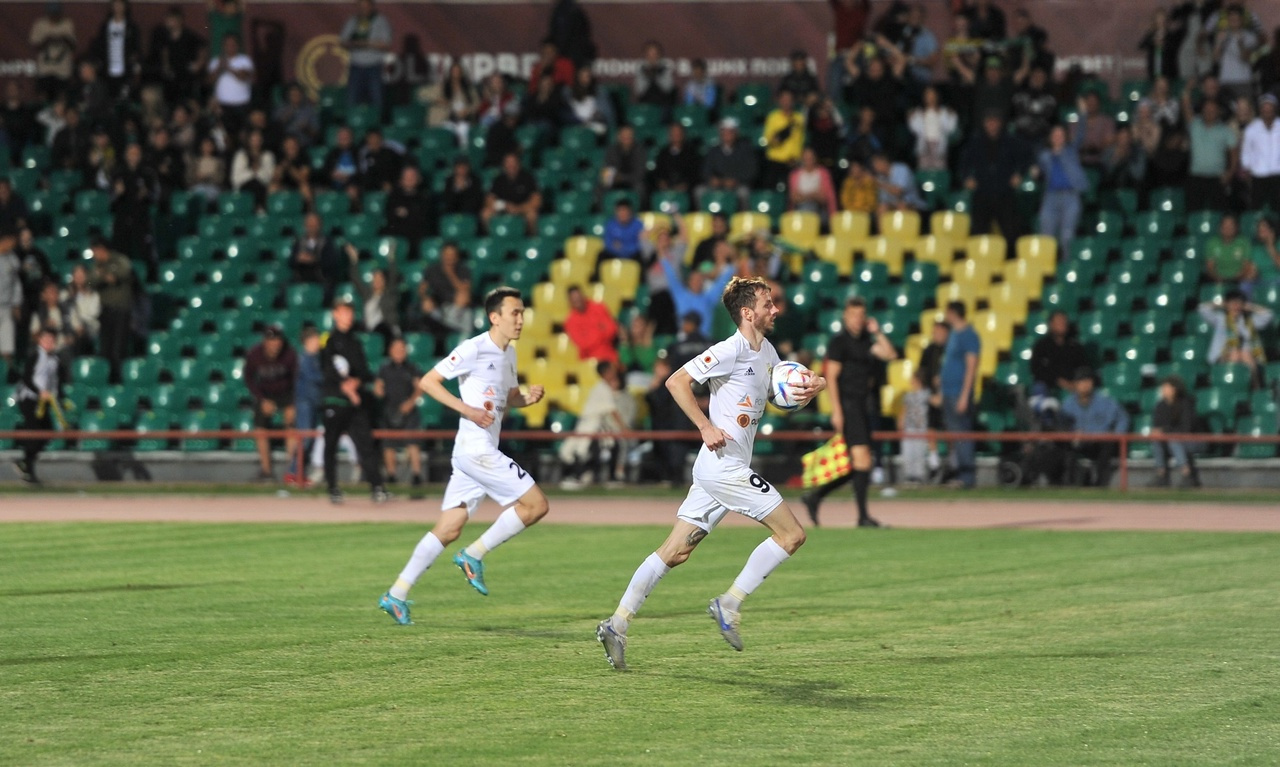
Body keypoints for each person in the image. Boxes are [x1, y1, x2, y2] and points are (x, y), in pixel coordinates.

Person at [595, 275, 825, 670]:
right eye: (768, 304)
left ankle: (616, 624)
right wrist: (704, 425)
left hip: (718, 470)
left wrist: (809, 387)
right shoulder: (728, 350)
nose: (775, 309)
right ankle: (729, 603)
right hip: (724, 467)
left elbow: (776, 392)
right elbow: (676, 382)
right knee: (792, 535)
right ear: (748, 313)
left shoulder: (768, 351)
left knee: (675, 551)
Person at [378, 287, 549, 623]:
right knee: (536, 505)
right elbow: (428, 382)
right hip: (476, 450)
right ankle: (474, 554)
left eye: (522, 312)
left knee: (449, 528)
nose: (520, 319)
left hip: (473, 453)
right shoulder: (474, 348)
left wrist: (528, 398)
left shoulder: (509, 354)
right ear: (494, 317)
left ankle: (396, 594)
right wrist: (467, 409)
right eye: (514, 313)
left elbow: (509, 397)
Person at [800, 297, 896, 526]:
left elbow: (890, 355)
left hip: (864, 406)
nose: (857, 320)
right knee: (862, 461)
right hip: (849, 405)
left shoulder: (866, 341)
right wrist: (837, 411)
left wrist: (877, 332)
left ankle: (816, 497)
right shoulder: (839, 342)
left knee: (861, 464)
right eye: (853, 315)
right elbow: (831, 377)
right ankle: (862, 516)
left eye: (861, 315)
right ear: (845, 316)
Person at [320, 301, 388, 504]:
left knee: (366, 444)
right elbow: (327, 370)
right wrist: (346, 388)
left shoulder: (355, 342)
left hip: (355, 404)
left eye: (350, 313)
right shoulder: (328, 341)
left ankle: (377, 487)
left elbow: (364, 372)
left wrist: (356, 382)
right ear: (335, 315)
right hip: (335, 400)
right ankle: (332, 487)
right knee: (331, 445)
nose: (348, 317)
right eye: (343, 312)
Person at [558, 359, 636, 489]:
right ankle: (575, 476)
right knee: (583, 450)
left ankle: (609, 477)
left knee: (609, 447)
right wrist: (624, 428)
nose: (614, 373)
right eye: (611, 370)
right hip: (590, 425)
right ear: (606, 372)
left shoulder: (603, 387)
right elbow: (612, 411)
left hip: (597, 426)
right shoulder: (602, 388)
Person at [958, 111, 1029, 240]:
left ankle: (1010, 254)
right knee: (979, 233)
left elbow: (1025, 158)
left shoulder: (1011, 141)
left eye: (995, 121)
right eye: (989, 121)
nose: (992, 125)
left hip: (1005, 193)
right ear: (984, 123)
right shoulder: (975, 142)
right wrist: (966, 178)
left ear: (1000, 123)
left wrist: (1019, 174)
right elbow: (964, 163)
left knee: (1010, 232)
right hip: (982, 192)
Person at [244, 325, 298, 481]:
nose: (275, 345)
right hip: (265, 394)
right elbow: (249, 379)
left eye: (277, 341)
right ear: (265, 342)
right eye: (271, 341)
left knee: (291, 424)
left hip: (287, 393)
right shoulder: (254, 354)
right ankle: (266, 471)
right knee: (260, 428)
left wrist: (293, 404)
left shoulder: (290, 354)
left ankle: (292, 471)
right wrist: (261, 399)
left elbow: (297, 380)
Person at [1061, 367, 1128, 487]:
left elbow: (1123, 418)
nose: (1085, 385)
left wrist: (1116, 435)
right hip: (1079, 442)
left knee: (1106, 447)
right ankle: (1073, 484)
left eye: (1088, 381)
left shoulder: (1105, 401)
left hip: (1100, 441)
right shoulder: (1068, 403)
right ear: (1076, 384)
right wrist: (1072, 433)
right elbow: (1062, 424)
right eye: (1081, 381)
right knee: (1066, 450)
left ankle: (1101, 485)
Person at [13, 328, 62, 484]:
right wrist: (39, 391)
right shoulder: (35, 355)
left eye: (51, 340)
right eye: (45, 339)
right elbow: (27, 377)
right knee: (34, 433)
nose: (48, 343)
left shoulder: (54, 359)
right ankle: (29, 470)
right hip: (29, 399)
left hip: (43, 401)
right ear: (39, 341)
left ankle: (25, 462)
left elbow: (54, 381)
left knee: (47, 432)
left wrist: (57, 396)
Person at [375, 336, 424, 489]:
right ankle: (391, 475)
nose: (399, 352)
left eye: (402, 349)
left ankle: (416, 475)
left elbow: (420, 387)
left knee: (412, 442)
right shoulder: (384, 368)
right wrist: (379, 391)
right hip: (389, 410)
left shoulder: (412, 368)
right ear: (390, 351)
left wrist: (410, 402)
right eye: (396, 349)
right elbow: (378, 386)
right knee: (388, 444)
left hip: (408, 410)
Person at [940, 302, 980, 489]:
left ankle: (967, 477)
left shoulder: (969, 335)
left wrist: (965, 395)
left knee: (962, 434)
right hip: (948, 392)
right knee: (955, 435)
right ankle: (959, 473)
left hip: (958, 392)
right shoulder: (954, 334)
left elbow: (971, 367)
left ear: (953, 313)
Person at [1033, 123, 1088, 252]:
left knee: (1067, 237)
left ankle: (1067, 263)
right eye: (1055, 135)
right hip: (1050, 197)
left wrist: (1082, 116)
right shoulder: (1044, 155)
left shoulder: (1071, 152)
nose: (1058, 137)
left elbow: (1080, 135)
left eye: (1061, 135)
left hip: (1070, 197)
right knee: (1046, 236)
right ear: (1050, 137)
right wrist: (1035, 172)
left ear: (1065, 137)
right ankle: (1046, 263)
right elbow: (1039, 173)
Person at [1199, 290, 1272, 385]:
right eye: (1233, 303)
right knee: (1235, 353)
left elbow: (1268, 315)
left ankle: (1254, 385)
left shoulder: (1249, 321)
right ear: (1227, 304)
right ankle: (1233, 384)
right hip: (1222, 357)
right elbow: (1202, 308)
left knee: (1245, 354)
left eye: (1239, 303)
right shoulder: (1220, 319)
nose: (1236, 306)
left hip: (1246, 357)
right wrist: (1221, 304)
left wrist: (1250, 307)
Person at [660, 248, 735, 337]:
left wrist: (731, 258)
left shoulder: (709, 298)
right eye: (694, 279)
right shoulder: (680, 294)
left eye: (699, 280)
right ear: (689, 281)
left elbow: (722, 280)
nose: (697, 282)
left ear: (703, 282)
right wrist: (662, 254)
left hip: (704, 339)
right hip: (684, 339)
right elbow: (671, 276)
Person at [1183, 91, 1238, 212]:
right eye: (1207, 109)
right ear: (1202, 110)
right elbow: (1186, 107)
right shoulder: (1194, 125)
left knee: (1219, 213)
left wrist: (1230, 173)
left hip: (1217, 179)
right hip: (1196, 178)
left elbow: (1234, 154)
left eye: (1213, 110)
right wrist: (1188, 90)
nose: (1209, 112)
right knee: (1193, 213)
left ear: (1218, 112)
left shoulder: (1225, 130)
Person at [87, 235, 131, 382]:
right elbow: (90, 281)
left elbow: (122, 273)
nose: (94, 255)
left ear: (101, 249)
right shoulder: (96, 265)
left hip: (121, 310)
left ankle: (119, 380)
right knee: (105, 349)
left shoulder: (119, 260)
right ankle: (106, 381)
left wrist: (104, 276)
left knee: (118, 348)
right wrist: (105, 277)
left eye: (95, 251)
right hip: (105, 311)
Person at [285, 326, 323, 488]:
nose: (318, 342)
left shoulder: (315, 358)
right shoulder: (304, 359)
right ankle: (293, 472)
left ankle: (300, 472)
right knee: (305, 438)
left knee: (310, 439)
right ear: (307, 341)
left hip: (314, 403)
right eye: (315, 339)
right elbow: (315, 377)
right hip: (305, 403)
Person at [145, 5, 205, 105]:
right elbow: (163, 52)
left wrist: (199, 63)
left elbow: (202, 46)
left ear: (178, 20)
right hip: (170, 80)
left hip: (185, 80)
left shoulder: (189, 36)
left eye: (170, 19)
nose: (167, 22)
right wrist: (166, 66)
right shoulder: (163, 36)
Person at [340, 0, 392, 114]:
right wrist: (355, 43)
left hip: (374, 66)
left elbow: (386, 44)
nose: (363, 9)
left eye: (366, 6)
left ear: (372, 6)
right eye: (360, 6)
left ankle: (376, 124)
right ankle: (353, 122)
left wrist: (367, 43)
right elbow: (343, 42)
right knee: (351, 100)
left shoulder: (380, 21)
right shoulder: (353, 20)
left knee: (377, 100)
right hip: (356, 66)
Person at [1149, 375, 1200, 489]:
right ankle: (1161, 475)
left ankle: (1187, 475)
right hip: (1171, 441)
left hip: (1193, 441)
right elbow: (1157, 426)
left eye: (1166, 387)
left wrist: (1165, 431)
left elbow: (1186, 428)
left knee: (1174, 440)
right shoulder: (1161, 405)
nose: (1163, 390)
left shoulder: (1186, 404)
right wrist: (1158, 432)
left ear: (1175, 389)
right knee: (1157, 439)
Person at [345, 240, 400, 343]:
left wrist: (391, 259)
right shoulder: (367, 294)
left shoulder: (389, 293)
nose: (377, 281)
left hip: (388, 331)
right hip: (370, 331)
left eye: (380, 278)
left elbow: (393, 276)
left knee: (382, 328)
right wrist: (354, 259)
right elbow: (355, 279)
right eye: (375, 278)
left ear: (385, 281)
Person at [698, 117, 758, 211]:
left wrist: (736, 180)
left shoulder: (745, 150)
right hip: (717, 185)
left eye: (730, 132)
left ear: (736, 133)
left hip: (737, 185)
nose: (727, 134)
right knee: (699, 191)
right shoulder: (714, 151)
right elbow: (706, 170)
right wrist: (711, 179)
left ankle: (742, 217)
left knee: (744, 193)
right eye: (724, 132)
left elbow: (751, 171)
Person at [206, 34, 253, 140]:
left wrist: (228, 67)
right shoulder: (216, 61)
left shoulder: (244, 60)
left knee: (242, 135)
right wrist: (219, 67)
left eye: (233, 44)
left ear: (238, 45)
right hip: (222, 105)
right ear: (223, 46)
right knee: (225, 136)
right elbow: (209, 80)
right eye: (227, 44)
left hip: (241, 105)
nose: (230, 47)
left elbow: (244, 76)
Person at [1030, 310, 1090, 393]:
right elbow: (1037, 369)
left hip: (1073, 386)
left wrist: (1075, 383)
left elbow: (1083, 367)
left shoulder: (1075, 346)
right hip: (1049, 386)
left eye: (1064, 321)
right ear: (1051, 324)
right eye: (1059, 322)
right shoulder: (1041, 346)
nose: (1062, 324)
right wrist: (1059, 381)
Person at [30, 1, 78, 102]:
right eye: (52, 14)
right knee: (43, 99)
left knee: (61, 99)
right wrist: (47, 39)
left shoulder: (67, 24)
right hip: (45, 69)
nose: (54, 17)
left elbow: (73, 45)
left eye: (56, 14)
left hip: (62, 70)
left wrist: (64, 38)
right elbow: (35, 45)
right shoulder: (40, 24)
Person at [290, 212, 343, 303]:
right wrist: (298, 259)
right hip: (301, 278)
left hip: (321, 278)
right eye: (309, 224)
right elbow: (290, 261)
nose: (311, 227)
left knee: (329, 291)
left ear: (319, 225)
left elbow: (332, 262)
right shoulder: (299, 242)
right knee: (285, 289)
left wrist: (314, 260)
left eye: (314, 224)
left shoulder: (327, 242)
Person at [482, 151, 541, 233]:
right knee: (486, 213)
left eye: (513, 162)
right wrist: (504, 206)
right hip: (503, 210)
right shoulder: (498, 180)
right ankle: (492, 238)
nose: (511, 165)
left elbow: (536, 201)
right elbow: (489, 200)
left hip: (522, 210)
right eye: (508, 162)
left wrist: (518, 209)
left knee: (532, 214)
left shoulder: (528, 178)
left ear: (518, 164)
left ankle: (532, 239)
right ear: (503, 165)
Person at [1241, 94, 1280, 210]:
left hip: (1278, 174)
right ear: (1260, 110)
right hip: (1258, 175)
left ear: (1275, 109)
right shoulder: (1252, 128)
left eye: (1270, 108)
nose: (1267, 111)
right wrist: (1246, 168)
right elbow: (1246, 151)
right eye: (1264, 108)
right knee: (1257, 208)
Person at [762, 90, 806, 191]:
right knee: (770, 189)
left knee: (793, 191)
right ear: (779, 101)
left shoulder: (799, 118)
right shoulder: (773, 117)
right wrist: (784, 133)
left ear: (793, 101)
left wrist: (797, 158)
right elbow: (770, 140)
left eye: (789, 99)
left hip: (793, 161)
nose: (786, 102)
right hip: (775, 160)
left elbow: (801, 140)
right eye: (784, 99)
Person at [563, 284, 619, 363]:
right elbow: (583, 344)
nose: (578, 301)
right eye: (574, 300)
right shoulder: (570, 322)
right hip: (589, 360)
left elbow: (612, 329)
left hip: (609, 353)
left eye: (579, 298)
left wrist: (588, 334)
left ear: (583, 296)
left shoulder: (599, 307)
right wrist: (600, 330)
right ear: (570, 302)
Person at [908, 85, 958, 172]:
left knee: (939, 170)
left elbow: (951, 128)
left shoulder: (944, 111)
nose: (930, 98)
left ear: (937, 96)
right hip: (924, 145)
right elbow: (914, 129)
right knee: (924, 170)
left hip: (939, 145)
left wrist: (951, 116)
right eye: (927, 95)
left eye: (932, 95)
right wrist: (911, 118)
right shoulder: (918, 112)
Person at [1206, 214, 1258, 294]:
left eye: (1231, 225)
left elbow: (1246, 265)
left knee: (1251, 274)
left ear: (1236, 228)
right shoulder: (1212, 243)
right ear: (1220, 228)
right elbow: (1210, 267)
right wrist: (1217, 278)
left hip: (1239, 279)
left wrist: (1235, 278)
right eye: (1225, 225)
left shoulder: (1244, 242)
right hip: (1218, 279)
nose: (1228, 228)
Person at [899, 368, 931, 485]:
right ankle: (909, 476)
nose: (911, 381)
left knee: (919, 452)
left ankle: (919, 476)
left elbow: (936, 401)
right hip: (909, 427)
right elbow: (904, 409)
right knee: (908, 452)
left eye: (913, 378)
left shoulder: (926, 393)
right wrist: (901, 421)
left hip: (921, 428)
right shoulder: (908, 395)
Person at [600, 124, 647, 204]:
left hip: (633, 181)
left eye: (628, 135)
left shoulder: (640, 150)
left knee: (640, 187)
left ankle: (640, 208)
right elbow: (607, 169)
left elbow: (640, 174)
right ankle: (602, 209)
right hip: (615, 180)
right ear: (618, 136)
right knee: (601, 186)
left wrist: (622, 178)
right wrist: (611, 178)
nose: (626, 138)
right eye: (623, 135)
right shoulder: (611, 150)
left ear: (633, 136)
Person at [788, 146, 837, 221]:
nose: (808, 161)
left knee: (810, 208)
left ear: (815, 158)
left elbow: (825, 197)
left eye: (810, 158)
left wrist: (804, 196)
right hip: (799, 209)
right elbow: (794, 198)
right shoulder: (794, 175)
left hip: (819, 210)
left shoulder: (823, 173)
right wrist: (813, 195)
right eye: (805, 158)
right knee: (805, 208)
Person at [0, 230, 22, 366]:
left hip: (6, 306)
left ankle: (8, 373)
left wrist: (16, 304)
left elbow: (16, 283)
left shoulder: (12, 258)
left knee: (7, 346)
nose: (12, 245)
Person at [633, 40, 675, 107]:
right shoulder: (641, 68)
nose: (652, 57)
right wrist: (648, 75)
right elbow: (639, 91)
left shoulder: (665, 67)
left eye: (655, 54)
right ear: (645, 55)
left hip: (663, 103)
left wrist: (657, 74)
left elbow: (668, 88)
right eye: (650, 54)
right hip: (645, 102)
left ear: (659, 55)